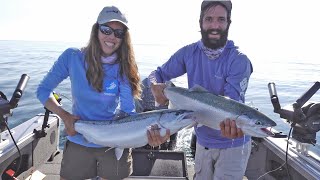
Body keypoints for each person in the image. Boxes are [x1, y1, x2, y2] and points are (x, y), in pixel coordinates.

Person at [36, 5, 149, 180]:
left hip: (115, 141)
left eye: (119, 33)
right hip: (78, 138)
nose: (112, 37)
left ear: (124, 37)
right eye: (106, 30)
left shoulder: (125, 67)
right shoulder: (72, 57)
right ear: (96, 30)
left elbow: (127, 112)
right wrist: (65, 116)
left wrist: (145, 134)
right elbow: (43, 91)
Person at [147, 1, 253, 179]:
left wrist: (230, 123)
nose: (214, 26)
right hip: (202, 142)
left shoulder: (238, 60)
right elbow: (157, 74)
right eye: (209, 19)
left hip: (233, 145)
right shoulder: (189, 53)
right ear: (200, 22)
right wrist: (155, 85)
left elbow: (230, 102)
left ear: (228, 23)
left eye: (221, 19)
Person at [135, 78, 177, 150]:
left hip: (164, 117)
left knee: (172, 122)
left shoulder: (170, 89)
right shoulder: (142, 87)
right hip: (144, 117)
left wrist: (171, 147)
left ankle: (169, 148)